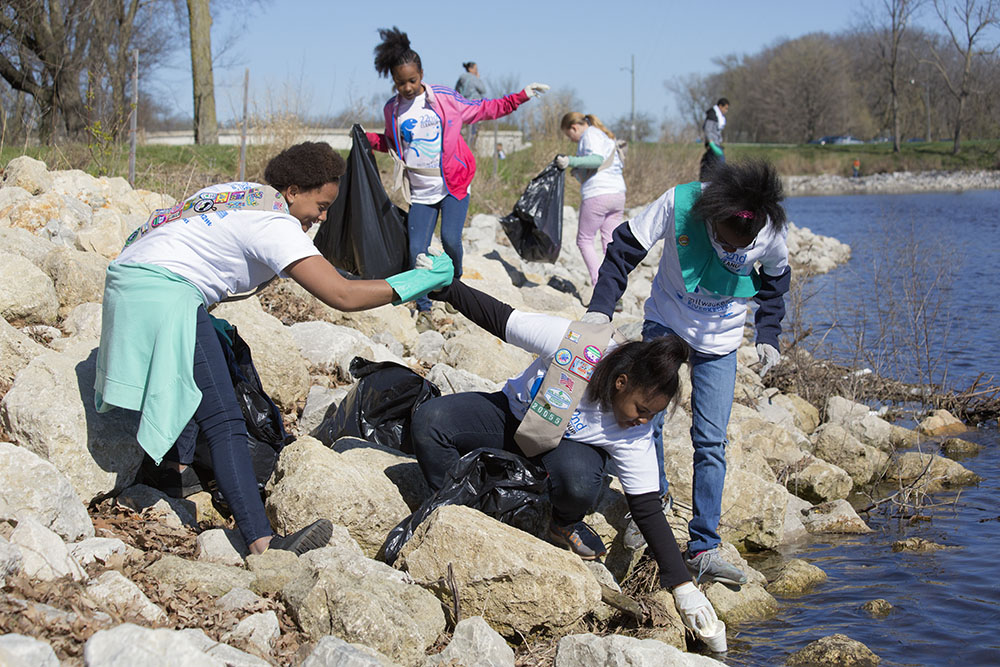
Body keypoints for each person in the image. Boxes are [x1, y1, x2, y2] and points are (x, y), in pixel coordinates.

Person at [94, 141, 454, 557]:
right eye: (319, 206)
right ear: (294, 190)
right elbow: (341, 294)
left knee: (211, 363)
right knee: (226, 419)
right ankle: (262, 543)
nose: (320, 218)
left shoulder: (238, 195)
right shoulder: (274, 223)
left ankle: (171, 472)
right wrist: (416, 284)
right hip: (163, 292)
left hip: (128, 281)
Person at [410, 279, 725, 648]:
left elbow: (648, 512)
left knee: (578, 483)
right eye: (642, 410)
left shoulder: (634, 434)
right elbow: (501, 319)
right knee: (430, 422)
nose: (644, 422)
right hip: (512, 419)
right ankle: (464, 508)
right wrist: (446, 286)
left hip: (562, 453)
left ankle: (562, 523)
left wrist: (684, 589)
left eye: (652, 416)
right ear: (620, 383)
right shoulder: (577, 346)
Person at [582, 159, 790, 586]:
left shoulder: (768, 226)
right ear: (712, 218)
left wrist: (768, 332)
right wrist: (600, 309)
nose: (735, 252)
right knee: (646, 421)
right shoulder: (679, 203)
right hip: (667, 321)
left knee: (711, 442)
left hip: (722, 338)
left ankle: (704, 547)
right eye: (727, 243)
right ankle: (650, 505)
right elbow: (624, 248)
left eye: (742, 247)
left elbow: (775, 280)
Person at [365, 27, 549, 332]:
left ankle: (455, 283)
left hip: (454, 185)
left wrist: (521, 96)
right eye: (400, 83)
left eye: (412, 80)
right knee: (417, 251)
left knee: (450, 239)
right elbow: (391, 143)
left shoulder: (444, 99)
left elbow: (486, 109)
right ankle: (424, 305)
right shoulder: (393, 110)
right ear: (394, 82)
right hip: (421, 192)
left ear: (421, 74)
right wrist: (365, 138)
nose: (407, 87)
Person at [555, 112, 627, 287]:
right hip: (618, 194)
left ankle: (601, 287)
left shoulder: (589, 135)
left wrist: (569, 161)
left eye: (569, 135)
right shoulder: (604, 136)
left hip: (598, 193)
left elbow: (596, 160)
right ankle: (616, 287)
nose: (571, 139)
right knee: (610, 242)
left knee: (584, 240)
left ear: (574, 127)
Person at [455, 61, 487, 148]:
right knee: (473, 130)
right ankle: (470, 148)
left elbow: (456, 91)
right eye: (476, 69)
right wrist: (478, 78)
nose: (477, 71)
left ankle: (463, 146)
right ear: (470, 69)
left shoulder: (461, 78)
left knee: (465, 129)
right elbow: (483, 90)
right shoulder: (473, 78)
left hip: (463, 107)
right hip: (474, 107)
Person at [699, 98, 729, 181]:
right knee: (720, 168)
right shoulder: (712, 115)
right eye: (725, 108)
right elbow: (707, 130)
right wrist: (712, 144)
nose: (726, 111)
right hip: (713, 146)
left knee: (711, 167)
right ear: (720, 106)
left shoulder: (717, 116)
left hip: (716, 145)